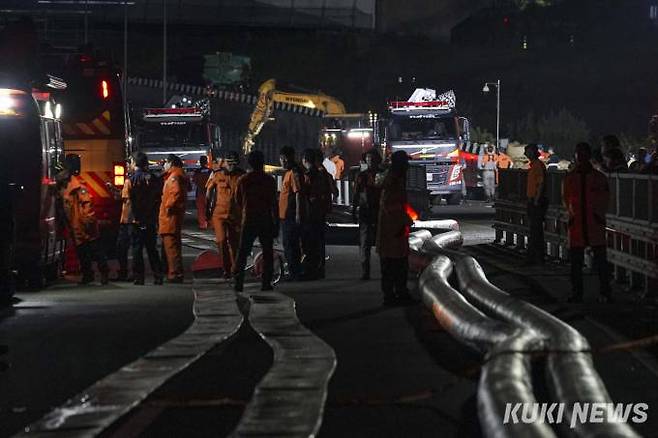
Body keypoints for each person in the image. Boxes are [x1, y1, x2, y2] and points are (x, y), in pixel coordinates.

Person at [563, 142, 612, 303]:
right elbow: (566, 199)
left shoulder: (595, 178)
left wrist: (597, 215)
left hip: (590, 224)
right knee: (578, 264)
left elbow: (604, 199)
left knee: (597, 263)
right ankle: (583, 293)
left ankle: (600, 292)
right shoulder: (576, 178)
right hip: (581, 224)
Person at [58, 154, 109, 284]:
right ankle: (88, 275)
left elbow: (86, 204)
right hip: (76, 225)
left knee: (94, 249)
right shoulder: (67, 185)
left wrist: (87, 221)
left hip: (83, 224)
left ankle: (102, 273)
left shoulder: (77, 187)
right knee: (83, 251)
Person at [232, 150, 278, 292]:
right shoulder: (269, 180)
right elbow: (273, 204)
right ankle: (266, 283)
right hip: (265, 219)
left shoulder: (243, 180)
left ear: (249, 163)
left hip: (249, 219)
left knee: (243, 252)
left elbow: (237, 200)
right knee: (267, 252)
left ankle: (238, 282)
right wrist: (276, 223)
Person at [376, 151, 414, 306]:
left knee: (394, 265)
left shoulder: (393, 178)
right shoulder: (393, 180)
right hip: (393, 230)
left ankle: (395, 294)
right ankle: (394, 295)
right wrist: (405, 220)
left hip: (393, 230)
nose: (407, 166)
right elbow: (391, 206)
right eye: (405, 163)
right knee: (395, 265)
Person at [205, 151, 245, 279]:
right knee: (221, 241)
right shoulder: (216, 175)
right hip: (219, 214)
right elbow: (209, 191)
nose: (231, 166)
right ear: (225, 163)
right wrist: (207, 210)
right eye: (229, 163)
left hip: (235, 215)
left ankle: (235, 270)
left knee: (234, 244)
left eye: (234, 163)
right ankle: (226, 269)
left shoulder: (242, 176)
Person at [128, 152, 164, 285]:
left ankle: (139, 277)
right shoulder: (153, 178)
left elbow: (128, 200)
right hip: (150, 218)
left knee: (137, 248)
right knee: (152, 248)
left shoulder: (132, 180)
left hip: (137, 219)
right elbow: (158, 197)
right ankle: (158, 275)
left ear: (135, 163)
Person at [300, 149, 330, 280]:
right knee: (318, 242)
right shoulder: (321, 174)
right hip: (319, 211)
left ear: (305, 160)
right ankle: (319, 269)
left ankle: (311, 270)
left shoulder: (308, 175)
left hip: (311, 212)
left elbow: (305, 193)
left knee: (310, 244)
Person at [353, 149, 383, 280]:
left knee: (382, 243)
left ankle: (385, 270)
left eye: (372, 158)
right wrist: (354, 210)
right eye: (368, 158)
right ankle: (365, 271)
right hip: (366, 211)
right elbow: (356, 194)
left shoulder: (383, 175)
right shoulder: (362, 176)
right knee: (364, 243)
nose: (370, 161)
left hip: (379, 211)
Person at [159, 154, 186, 283]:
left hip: (169, 218)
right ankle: (176, 272)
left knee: (171, 248)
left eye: (165, 163)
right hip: (172, 218)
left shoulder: (173, 177)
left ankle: (175, 273)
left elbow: (176, 193)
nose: (164, 165)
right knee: (174, 247)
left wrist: (168, 206)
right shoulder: (176, 176)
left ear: (170, 163)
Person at [279, 146, 304, 281]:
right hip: (286, 214)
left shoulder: (293, 173)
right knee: (290, 244)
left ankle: (295, 273)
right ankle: (295, 271)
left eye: (283, 159)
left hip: (290, 214)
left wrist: (298, 214)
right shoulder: (289, 172)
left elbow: (297, 193)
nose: (281, 161)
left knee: (290, 244)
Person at [524, 144, 547, 265]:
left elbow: (541, 183)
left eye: (527, 152)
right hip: (532, 200)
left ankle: (535, 258)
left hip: (535, 202)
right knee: (534, 231)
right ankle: (535, 257)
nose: (525, 154)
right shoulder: (534, 166)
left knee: (535, 231)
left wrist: (537, 199)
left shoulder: (537, 166)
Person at [192, 156, 212, 229]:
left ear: (200, 162)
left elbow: (194, 181)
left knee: (201, 209)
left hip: (200, 193)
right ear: (206, 162)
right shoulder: (210, 171)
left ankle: (202, 225)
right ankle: (210, 223)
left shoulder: (197, 172)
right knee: (209, 208)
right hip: (209, 192)